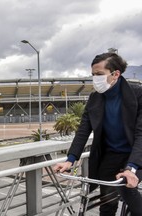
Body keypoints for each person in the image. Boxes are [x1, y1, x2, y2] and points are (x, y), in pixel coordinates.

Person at [53, 52, 142, 216]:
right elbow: (83, 130)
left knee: (127, 189)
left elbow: (141, 134)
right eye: (93, 74)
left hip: (136, 155)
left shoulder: (138, 95)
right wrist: (70, 160)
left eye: (99, 74)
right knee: (106, 201)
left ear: (115, 74)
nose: (95, 79)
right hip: (111, 155)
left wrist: (132, 168)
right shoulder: (95, 99)